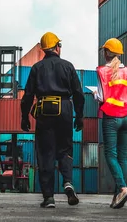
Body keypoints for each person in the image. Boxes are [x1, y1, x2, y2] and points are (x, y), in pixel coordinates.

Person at [20, 32, 85, 208]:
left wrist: (24, 117)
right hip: (64, 109)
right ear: (57, 47)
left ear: (43, 50)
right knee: (65, 149)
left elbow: (28, 95)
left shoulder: (36, 68)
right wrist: (79, 117)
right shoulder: (68, 66)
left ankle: (48, 197)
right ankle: (68, 183)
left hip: (44, 111)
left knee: (46, 152)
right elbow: (79, 94)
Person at [95, 38, 127, 209]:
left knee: (110, 154)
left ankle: (122, 188)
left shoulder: (102, 72)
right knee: (122, 157)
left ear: (106, 52)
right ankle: (117, 197)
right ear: (119, 53)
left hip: (111, 118)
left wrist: (93, 95)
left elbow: (100, 96)